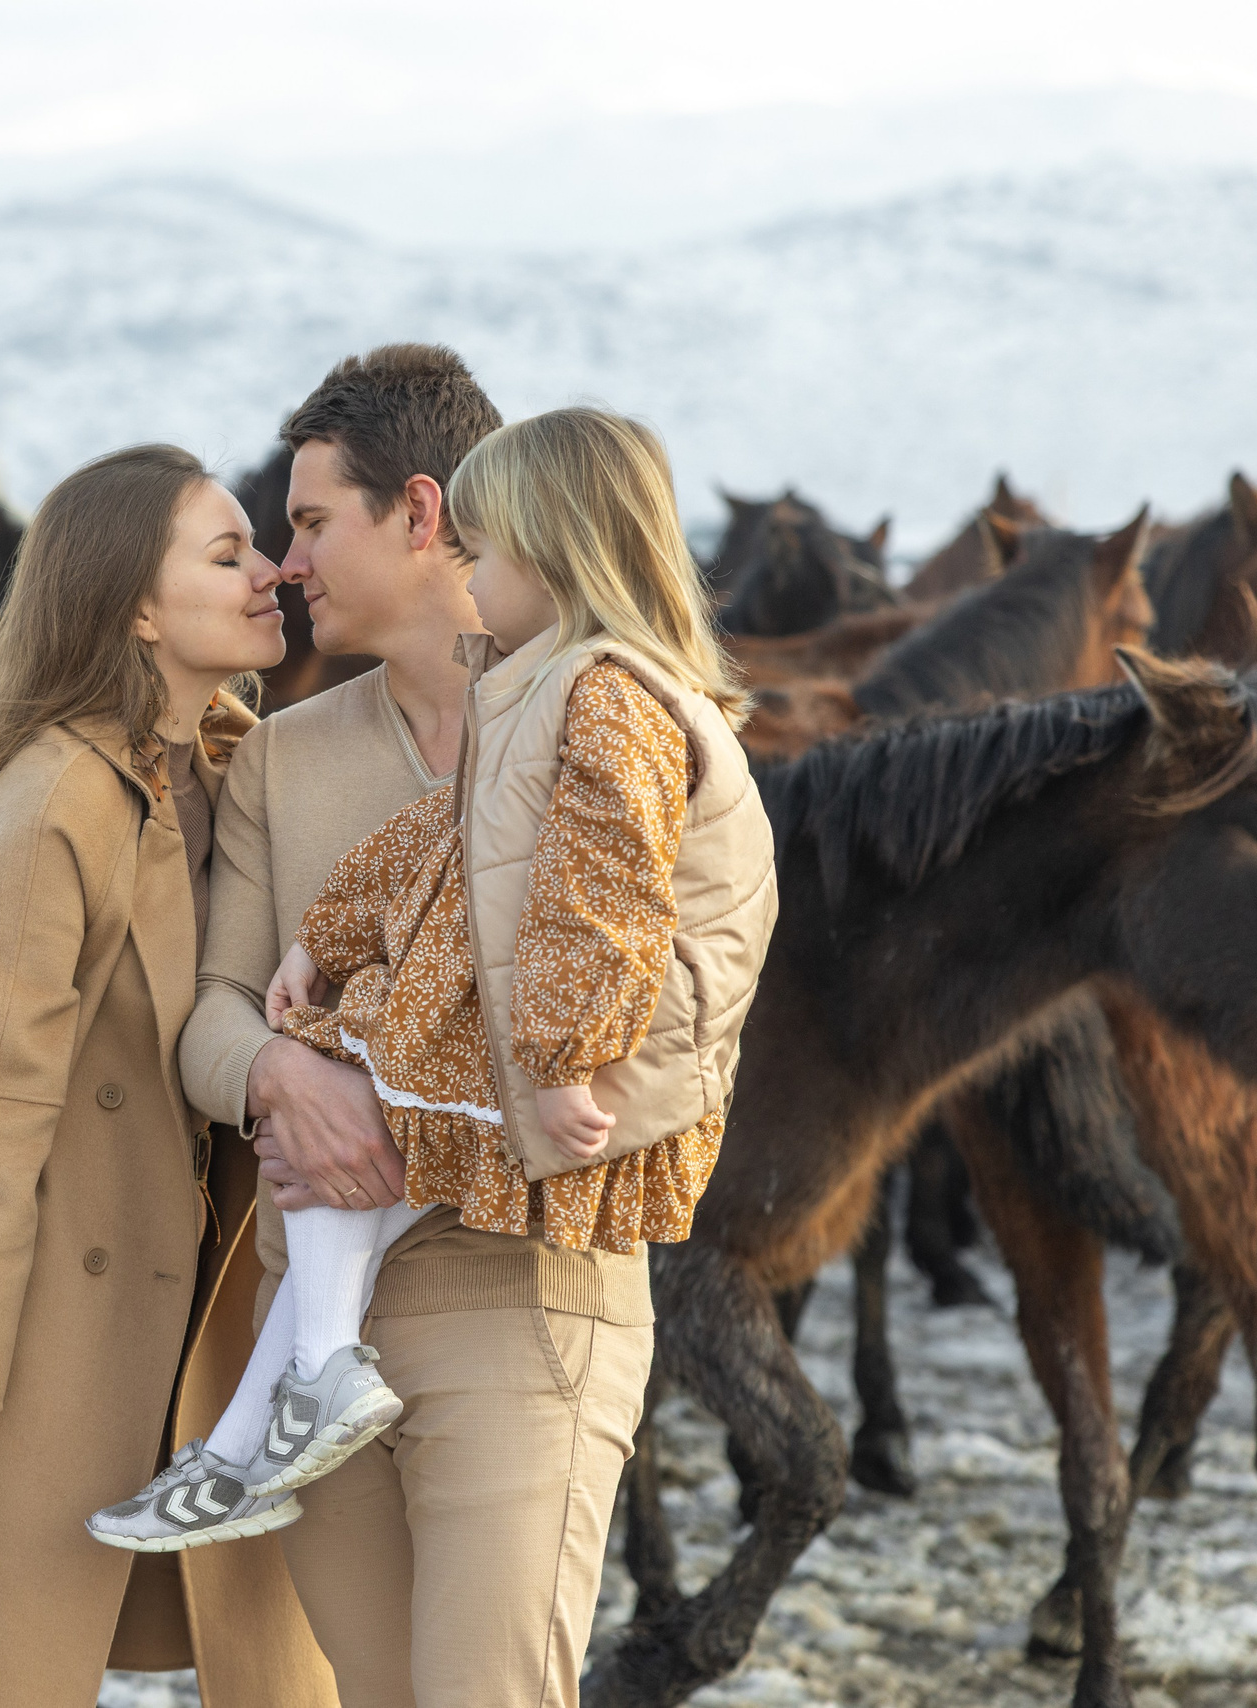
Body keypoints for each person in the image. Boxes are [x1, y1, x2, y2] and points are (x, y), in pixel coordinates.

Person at [93, 402, 774, 1597]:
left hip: (529, 1284)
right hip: (346, 1262)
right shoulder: (287, 754)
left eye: (307, 523)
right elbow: (392, 878)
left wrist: (514, 1094)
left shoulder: (595, 707)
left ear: (421, 514)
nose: (284, 563)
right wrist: (287, 1066)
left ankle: (255, 1429)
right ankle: (261, 1427)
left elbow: (652, 960)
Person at [0, 443, 333, 1706]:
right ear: (137, 609)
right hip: (51, 1333)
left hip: (223, 1319)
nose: (269, 570)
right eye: (227, 555)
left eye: (258, 545)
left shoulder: (233, 764)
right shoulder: (50, 796)